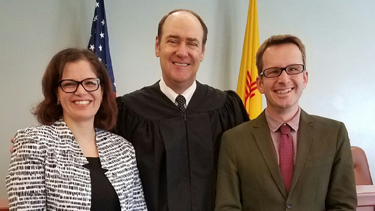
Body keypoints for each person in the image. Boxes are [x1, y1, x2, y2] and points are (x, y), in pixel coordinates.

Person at [115, 9, 249, 211]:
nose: (182, 51)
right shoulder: (128, 112)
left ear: (202, 51)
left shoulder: (226, 108)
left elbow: (246, 177)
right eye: (173, 41)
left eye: (192, 43)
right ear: (157, 46)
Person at [215, 35, 357, 210]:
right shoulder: (233, 140)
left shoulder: (334, 134)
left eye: (293, 69)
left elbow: (343, 205)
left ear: (305, 78)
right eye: (273, 71)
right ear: (259, 83)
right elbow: (227, 207)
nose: (283, 79)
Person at [6, 48, 147, 210]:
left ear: (102, 91)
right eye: (69, 84)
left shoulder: (124, 149)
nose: (81, 91)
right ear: (56, 93)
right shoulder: (33, 143)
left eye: (90, 83)